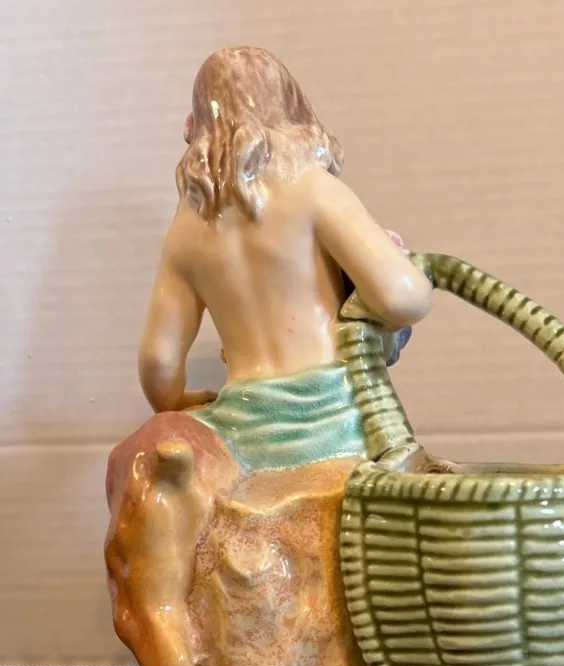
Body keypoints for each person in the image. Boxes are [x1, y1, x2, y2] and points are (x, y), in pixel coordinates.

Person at [138, 45, 432, 470]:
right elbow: (403, 299)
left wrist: (177, 400)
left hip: (243, 432)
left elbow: (158, 362)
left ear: (196, 124)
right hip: (337, 423)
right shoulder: (314, 190)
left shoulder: (186, 228)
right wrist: (402, 263)